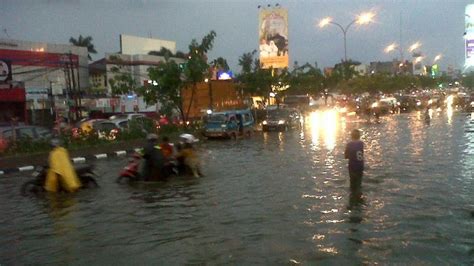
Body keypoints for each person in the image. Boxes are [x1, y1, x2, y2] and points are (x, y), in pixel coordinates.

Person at [344, 129, 364, 198]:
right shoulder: (361, 143)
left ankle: (353, 198)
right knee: (359, 183)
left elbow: (346, 156)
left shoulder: (349, 144)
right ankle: (359, 196)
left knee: (352, 184)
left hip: (352, 166)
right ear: (359, 136)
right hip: (360, 165)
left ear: (351, 136)